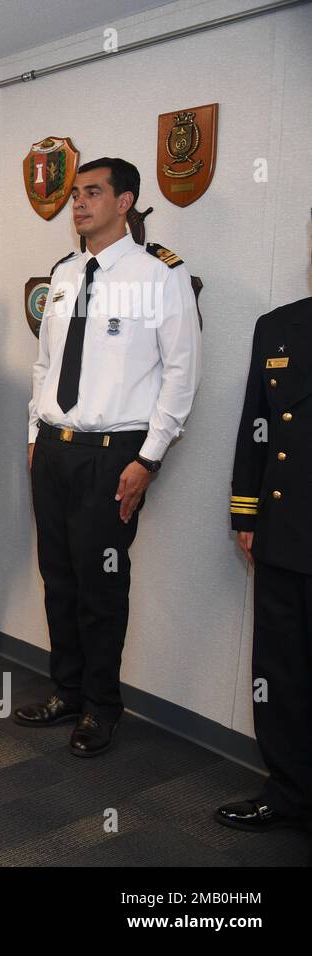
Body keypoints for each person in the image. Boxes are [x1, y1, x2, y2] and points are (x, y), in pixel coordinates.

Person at [15, 157, 201, 757]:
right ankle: (66, 690)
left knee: (101, 586)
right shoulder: (65, 274)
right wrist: (33, 432)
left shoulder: (158, 275)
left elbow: (181, 373)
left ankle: (101, 707)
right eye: (75, 195)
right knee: (58, 579)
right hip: (54, 451)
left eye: (92, 193)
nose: (79, 204)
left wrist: (148, 458)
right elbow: (45, 363)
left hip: (112, 456)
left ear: (125, 202)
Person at [216, 293, 312, 833]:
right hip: (283, 530)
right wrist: (245, 509)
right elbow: (257, 420)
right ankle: (289, 791)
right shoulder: (279, 324)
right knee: (279, 672)